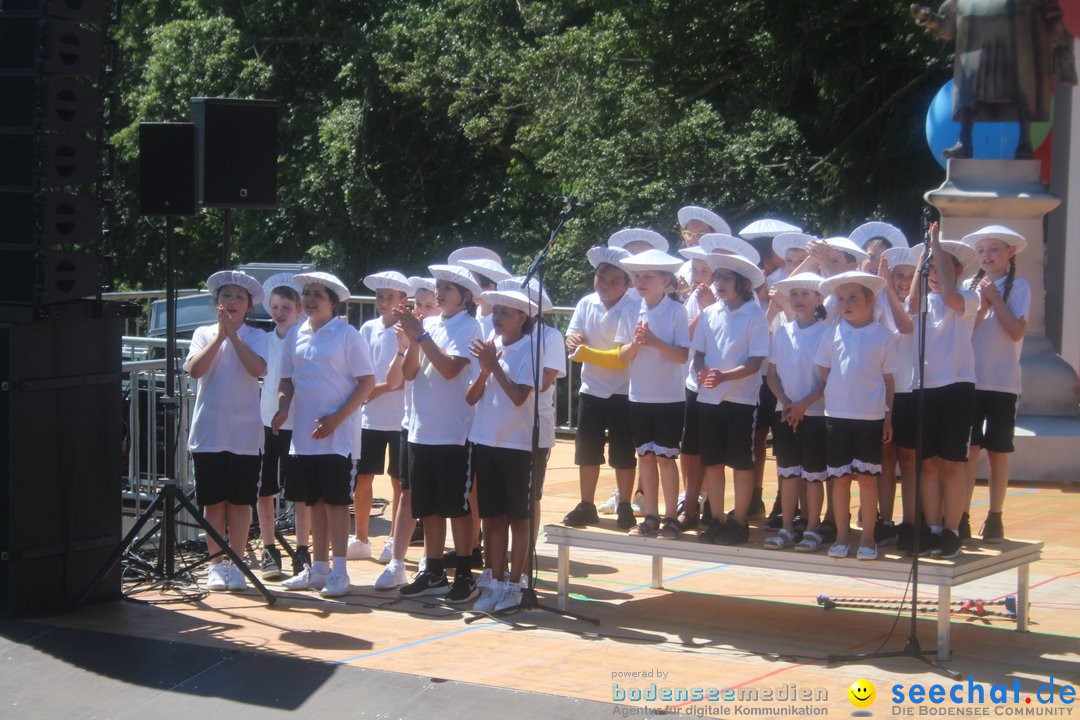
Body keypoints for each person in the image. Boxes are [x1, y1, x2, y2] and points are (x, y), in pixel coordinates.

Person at [276, 272, 375, 598]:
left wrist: (336, 419)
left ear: (332, 301)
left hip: (338, 438)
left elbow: (366, 382)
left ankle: (340, 572)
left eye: (318, 293)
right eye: (306, 293)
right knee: (313, 501)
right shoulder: (294, 335)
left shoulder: (347, 335)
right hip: (304, 437)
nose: (310, 298)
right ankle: (319, 570)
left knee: (335, 503)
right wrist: (282, 408)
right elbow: (287, 380)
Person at [393, 265, 483, 603]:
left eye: (448, 287)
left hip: (453, 433)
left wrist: (422, 336)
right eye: (438, 286)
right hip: (421, 429)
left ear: (465, 297)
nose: (440, 292)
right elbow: (409, 372)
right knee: (427, 505)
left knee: (456, 507)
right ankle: (432, 569)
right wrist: (414, 338)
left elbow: (449, 369)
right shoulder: (428, 324)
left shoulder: (469, 326)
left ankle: (463, 571)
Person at [185, 271, 268, 592]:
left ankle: (237, 562)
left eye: (238, 297)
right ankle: (215, 564)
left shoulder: (257, 336)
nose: (231, 302)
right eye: (226, 296)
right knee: (214, 502)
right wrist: (220, 336)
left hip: (245, 433)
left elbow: (258, 369)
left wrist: (234, 336)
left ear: (248, 305)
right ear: (216, 303)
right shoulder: (203, 333)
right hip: (209, 431)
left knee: (240, 502)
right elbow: (195, 369)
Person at [466, 286, 541, 613]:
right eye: (495, 312)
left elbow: (519, 396)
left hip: (517, 445)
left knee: (518, 518)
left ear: (522, 318)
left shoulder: (530, 350)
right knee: (492, 517)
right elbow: (471, 397)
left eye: (505, 313)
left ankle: (514, 584)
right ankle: (495, 583)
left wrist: (492, 365)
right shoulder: (490, 347)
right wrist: (485, 367)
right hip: (485, 440)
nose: (496, 318)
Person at [907, 225, 980, 559]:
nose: (935, 274)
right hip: (926, 387)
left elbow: (951, 297)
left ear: (958, 271)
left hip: (957, 387)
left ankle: (952, 530)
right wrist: (925, 256)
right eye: (932, 269)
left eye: (943, 267)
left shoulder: (969, 298)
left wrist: (936, 246)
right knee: (930, 464)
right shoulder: (925, 301)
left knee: (953, 464)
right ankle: (933, 528)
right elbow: (910, 303)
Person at [814, 271, 896, 560]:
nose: (846, 304)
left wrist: (887, 419)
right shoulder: (831, 333)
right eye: (841, 299)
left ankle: (869, 539)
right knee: (840, 478)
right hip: (837, 415)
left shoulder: (884, 336)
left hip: (870, 418)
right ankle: (842, 536)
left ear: (869, 299)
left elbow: (889, 381)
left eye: (853, 298)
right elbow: (824, 372)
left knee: (867, 479)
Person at [691, 254, 770, 545]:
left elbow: (756, 361)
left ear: (743, 283)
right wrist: (701, 372)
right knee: (711, 461)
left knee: (740, 463)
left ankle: (739, 521)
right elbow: (698, 352)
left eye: (726, 277)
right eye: (717, 277)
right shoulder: (710, 313)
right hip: (709, 399)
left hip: (740, 400)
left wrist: (724, 376)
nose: (719, 283)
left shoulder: (754, 314)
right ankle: (717, 518)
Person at [962, 225, 1030, 543]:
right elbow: (961, 334)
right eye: (982, 250)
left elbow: (1016, 331)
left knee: (998, 452)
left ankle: (995, 516)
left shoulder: (1020, 287)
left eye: (994, 249)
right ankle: (960, 515)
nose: (987, 256)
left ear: (1010, 252)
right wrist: (981, 305)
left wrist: (994, 299)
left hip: (1003, 383)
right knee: (969, 450)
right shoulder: (967, 286)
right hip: (970, 381)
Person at [616, 249, 690, 538]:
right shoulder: (631, 309)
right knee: (644, 456)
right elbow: (623, 354)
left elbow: (682, 355)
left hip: (669, 397)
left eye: (648, 277)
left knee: (665, 458)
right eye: (637, 277)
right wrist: (636, 343)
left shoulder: (676, 310)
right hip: (639, 396)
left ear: (665, 280)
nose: (641, 282)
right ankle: (650, 515)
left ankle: (672, 517)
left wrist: (655, 341)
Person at [564, 247, 639, 530]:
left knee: (623, 451)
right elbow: (574, 331)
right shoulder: (586, 303)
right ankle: (587, 504)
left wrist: (584, 352)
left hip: (623, 389)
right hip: (591, 387)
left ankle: (625, 504)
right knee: (587, 450)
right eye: (601, 278)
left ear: (627, 284)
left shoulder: (632, 307)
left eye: (613, 281)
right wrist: (574, 340)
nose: (605, 285)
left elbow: (623, 356)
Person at [375, 277, 439, 590]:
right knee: (406, 493)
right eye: (419, 306)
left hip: (439, 426)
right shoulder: (409, 336)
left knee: (434, 498)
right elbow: (394, 381)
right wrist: (404, 348)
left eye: (430, 306)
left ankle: (430, 559)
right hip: (410, 422)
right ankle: (398, 562)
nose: (423, 312)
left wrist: (420, 339)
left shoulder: (440, 336)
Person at [348, 271, 411, 562]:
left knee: (398, 481)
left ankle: (393, 540)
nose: (384, 302)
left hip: (400, 417)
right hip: (369, 417)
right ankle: (361, 538)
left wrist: (377, 389)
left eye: (390, 298)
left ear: (403, 301)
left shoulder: (409, 330)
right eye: (380, 297)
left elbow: (404, 377)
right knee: (363, 478)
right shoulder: (368, 327)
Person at [763, 272, 829, 551]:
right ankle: (788, 526)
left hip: (815, 415)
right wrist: (787, 403)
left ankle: (813, 527)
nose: (798, 299)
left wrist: (804, 404)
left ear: (819, 299)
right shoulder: (782, 332)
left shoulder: (827, 331)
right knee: (788, 473)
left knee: (814, 476)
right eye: (794, 294)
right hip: (786, 413)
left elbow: (829, 379)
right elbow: (771, 375)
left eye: (805, 294)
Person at [256, 272, 304, 580]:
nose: (279, 313)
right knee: (264, 488)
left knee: (299, 492)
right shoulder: (264, 339)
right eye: (275, 306)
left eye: (286, 307)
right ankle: (269, 547)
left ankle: (302, 550)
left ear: (299, 309)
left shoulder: (304, 338)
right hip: (265, 421)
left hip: (297, 424)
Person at [876, 246, 920, 551]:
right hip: (882, 390)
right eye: (897, 276)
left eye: (909, 276)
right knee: (885, 459)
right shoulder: (877, 303)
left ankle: (911, 522)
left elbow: (906, 327)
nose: (903, 281)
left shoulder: (918, 303)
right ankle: (885, 519)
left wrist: (890, 291)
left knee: (909, 459)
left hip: (911, 390)